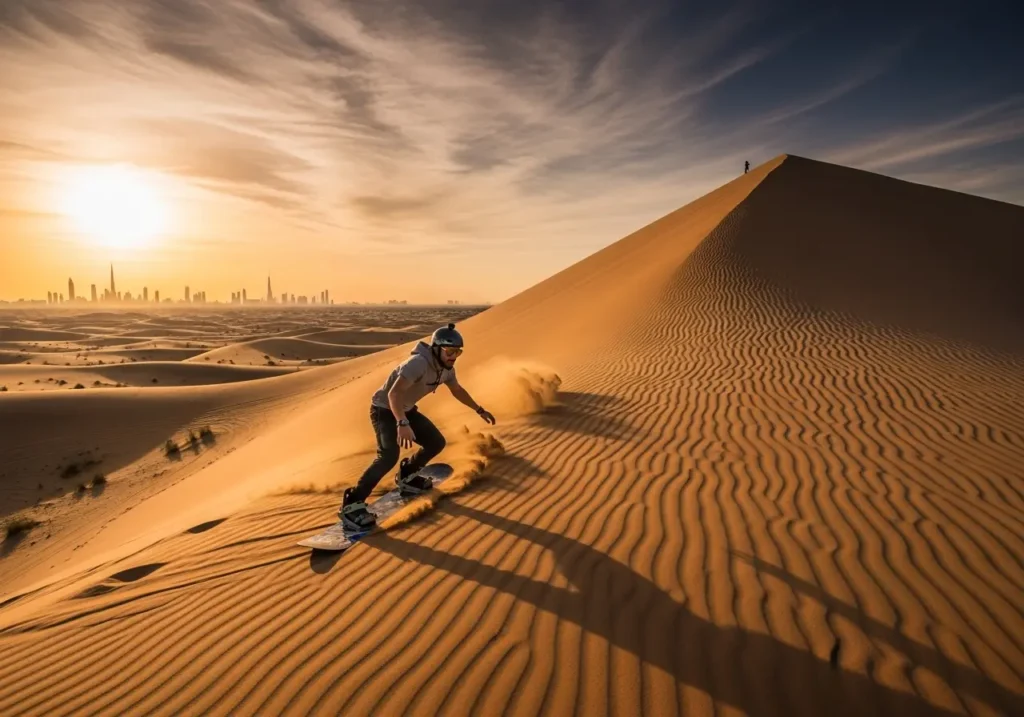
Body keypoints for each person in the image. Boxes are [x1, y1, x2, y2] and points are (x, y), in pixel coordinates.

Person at [338, 323, 496, 531]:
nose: (454, 356)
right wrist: (402, 422)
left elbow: (457, 390)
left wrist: (479, 409)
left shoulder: (447, 370)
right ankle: (352, 504)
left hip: (407, 409)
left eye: (458, 352)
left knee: (435, 442)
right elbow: (394, 394)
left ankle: (408, 475)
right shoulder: (418, 363)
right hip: (384, 409)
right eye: (450, 351)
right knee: (388, 456)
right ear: (436, 348)